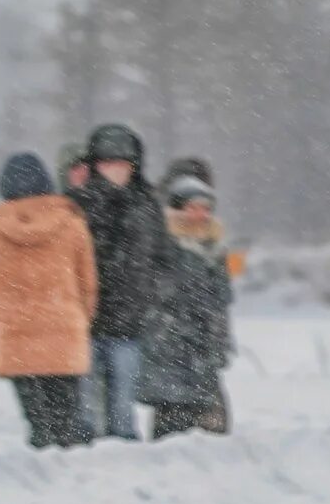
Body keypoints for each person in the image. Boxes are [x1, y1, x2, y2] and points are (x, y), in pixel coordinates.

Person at [0, 153, 97, 448]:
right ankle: (68, 478)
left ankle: (43, 460)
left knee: (38, 421)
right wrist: (78, 319)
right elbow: (88, 285)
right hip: (64, 332)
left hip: (14, 337)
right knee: (66, 420)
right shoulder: (71, 223)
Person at [70, 123, 173, 441]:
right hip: (84, 320)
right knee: (86, 406)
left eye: (122, 164)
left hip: (130, 322)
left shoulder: (147, 205)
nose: (115, 170)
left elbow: (163, 257)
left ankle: (125, 452)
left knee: (123, 405)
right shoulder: (77, 204)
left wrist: (153, 296)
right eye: (107, 163)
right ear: (94, 165)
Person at [139, 175, 232, 439]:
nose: (200, 214)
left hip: (204, 347)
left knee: (213, 423)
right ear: (178, 208)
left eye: (205, 208)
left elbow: (222, 298)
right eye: (193, 207)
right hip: (171, 343)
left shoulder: (215, 248)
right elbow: (158, 291)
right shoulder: (163, 244)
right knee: (171, 419)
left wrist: (220, 338)